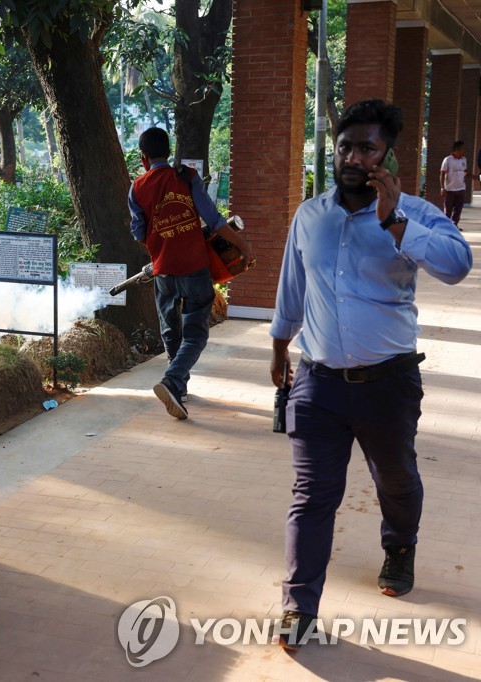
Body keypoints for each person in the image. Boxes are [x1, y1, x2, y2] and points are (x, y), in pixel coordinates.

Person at [269, 99, 472, 651]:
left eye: (367, 147)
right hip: (318, 383)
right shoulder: (310, 214)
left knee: (397, 480)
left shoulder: (416, 213)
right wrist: (279, 349)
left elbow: (457, 267)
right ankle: (298, 607)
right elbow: (293, 287)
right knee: (311, 498)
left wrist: (396, 222)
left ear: (388, 156)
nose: (354, 157)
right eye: (345, 146)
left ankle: (399, 544)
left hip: (388, 385)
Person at [127, 127, 255, 419]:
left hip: (163, 271)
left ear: (144, 158)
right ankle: (173, 381)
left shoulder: (136, 187)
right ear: (168, 153)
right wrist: (244, 246)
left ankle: (178, 386)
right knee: (195, 334)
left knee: (171, 330)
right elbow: (214, 219)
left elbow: (139, 233)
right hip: (195, 268)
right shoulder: (186, 177)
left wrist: (162, 242)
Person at [439, 140, 468, 228]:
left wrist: (474, 176)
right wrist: (442, 188)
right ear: (457, 149)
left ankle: (454, 226)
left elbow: (464, 172)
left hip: (461, 189)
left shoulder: (464, 159)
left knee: (458, 210)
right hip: (450, 189)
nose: (464, 150)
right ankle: (446, 227)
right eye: (463, 148)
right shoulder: (447, 160)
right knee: (448, 210)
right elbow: (442, 174)